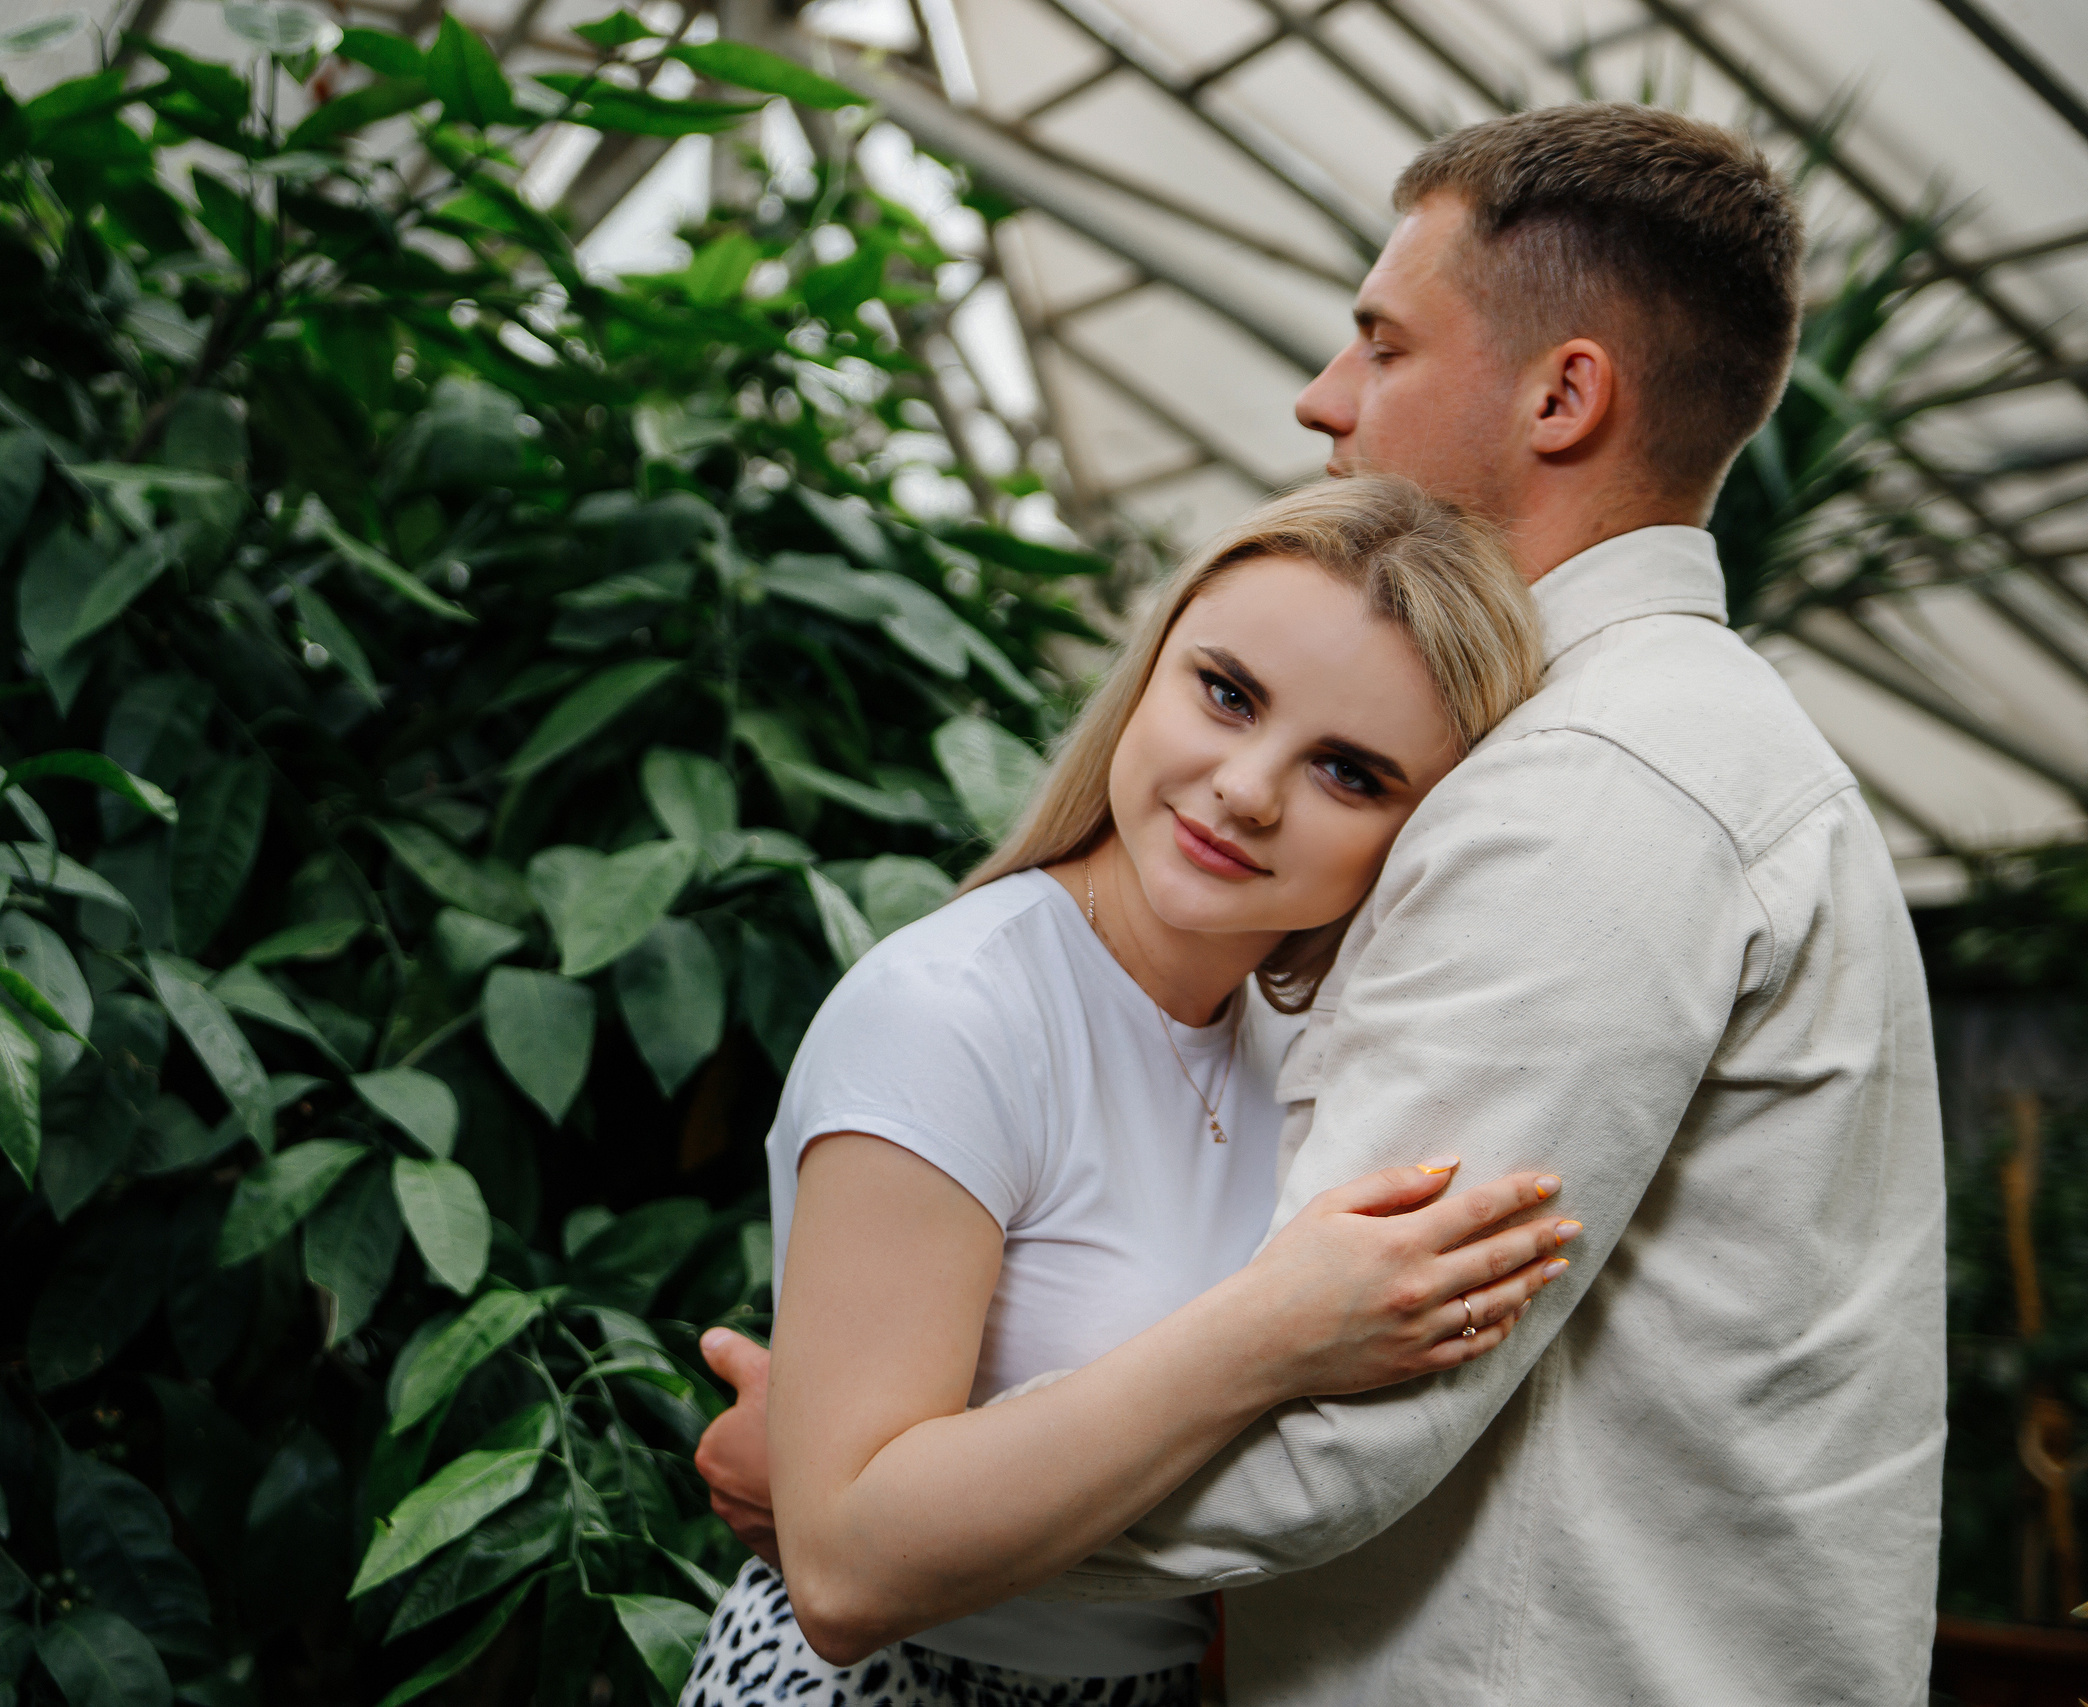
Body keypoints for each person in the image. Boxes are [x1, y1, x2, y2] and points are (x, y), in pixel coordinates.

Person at [695, 101, 1946, 1706]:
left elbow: (1330, 1439)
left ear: (1564, 394)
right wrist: (878, 1475)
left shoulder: (1590, 780)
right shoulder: (1669, 748)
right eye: (1220, 693)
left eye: (1381, 342)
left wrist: (869, 1489)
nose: (1322, 396)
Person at [678, 474, 1566, 1707]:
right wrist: (1271, 1330)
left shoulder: (1306, 1058)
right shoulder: (954, 1013)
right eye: (1226, 693)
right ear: (1147, 672)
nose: (1248, 789)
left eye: (1351, 773)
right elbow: (841, 1578)